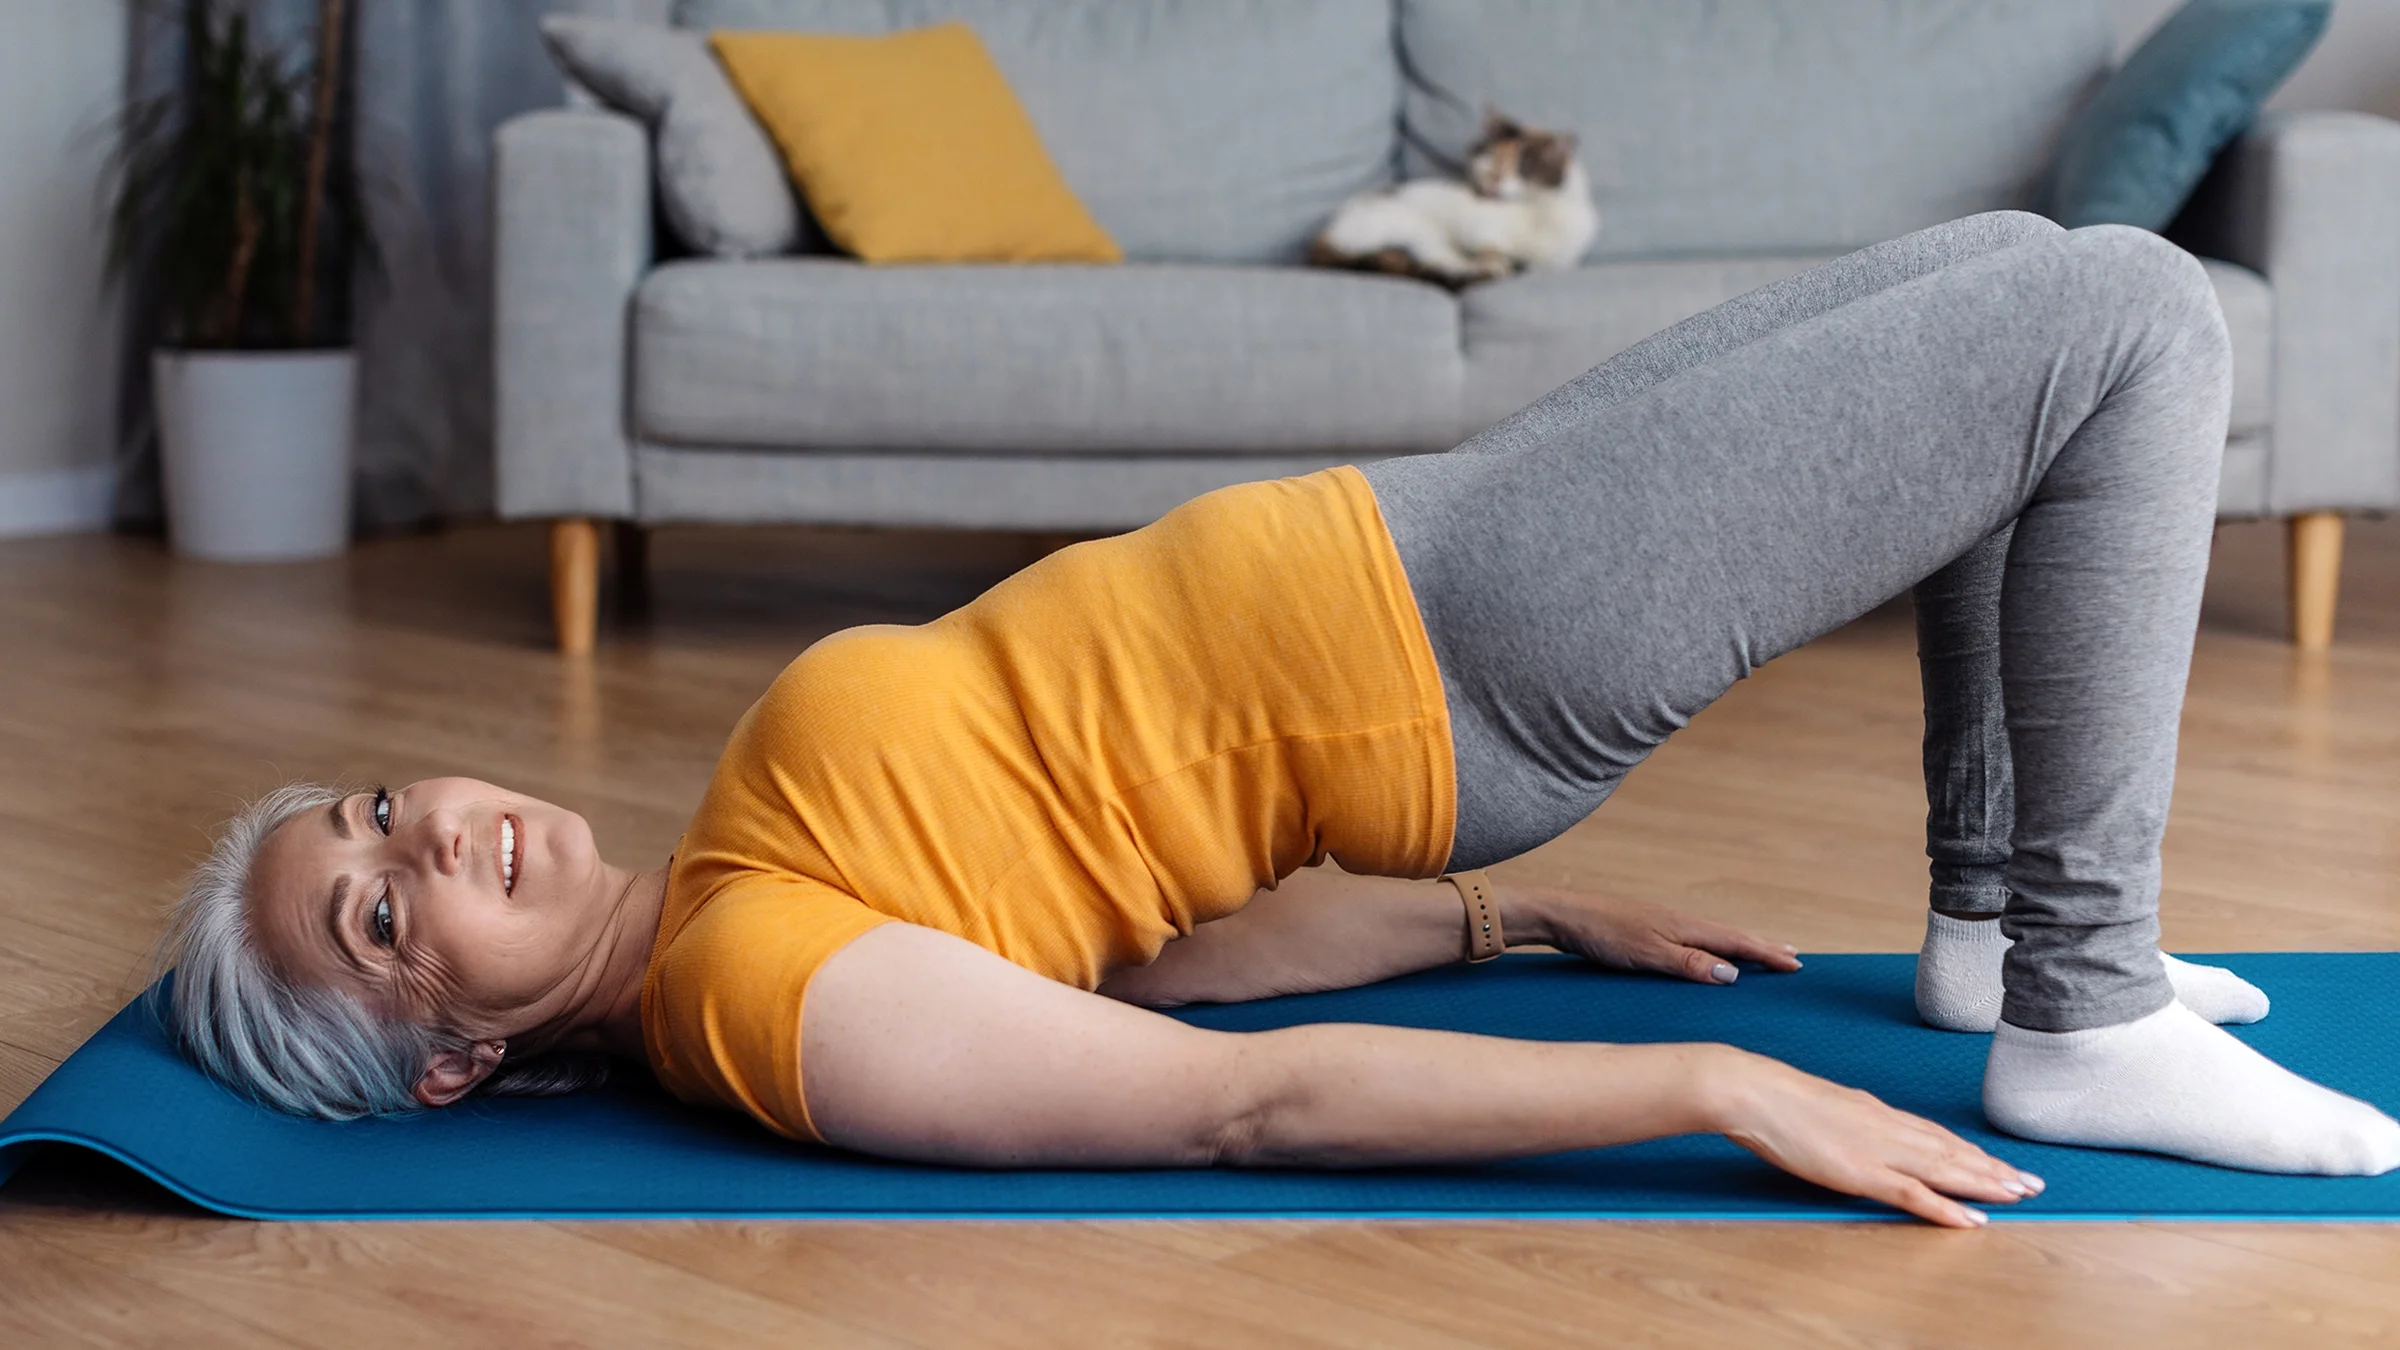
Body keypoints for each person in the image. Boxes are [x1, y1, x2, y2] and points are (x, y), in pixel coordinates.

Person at [159, 213, 2400, 1231]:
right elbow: (1223, 1105)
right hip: (1476, 633)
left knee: (2029, 264)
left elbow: (1157, 947)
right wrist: (1710, 1082)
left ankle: (2003, 940)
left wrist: (1526, 935)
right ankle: (2081, 1006)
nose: (432, 836)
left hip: (1428, 544)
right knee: (2126, 322)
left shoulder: (744, 887)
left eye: (381, 811)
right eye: (375, 914)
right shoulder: (760, 1001)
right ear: (448, 1050)